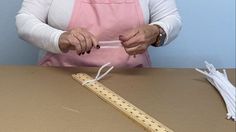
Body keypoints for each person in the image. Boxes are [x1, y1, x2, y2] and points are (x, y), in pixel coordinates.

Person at [16, 0, 182, 67]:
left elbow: (171, 18)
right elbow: (25, 21)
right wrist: (58, 38)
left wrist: (156, 31)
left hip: (133, 81)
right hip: (60, 80)